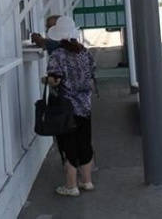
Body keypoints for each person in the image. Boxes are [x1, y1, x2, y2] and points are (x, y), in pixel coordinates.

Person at [41, 16, 96, 197]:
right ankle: (87, 181)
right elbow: (92, 73)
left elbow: (55, 80)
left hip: (66, 108)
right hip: (85, 105)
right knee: (85, 142)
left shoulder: (58, 55)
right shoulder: (85, 52)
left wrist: (45, 80)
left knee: (68, 144)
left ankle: (71, 186)